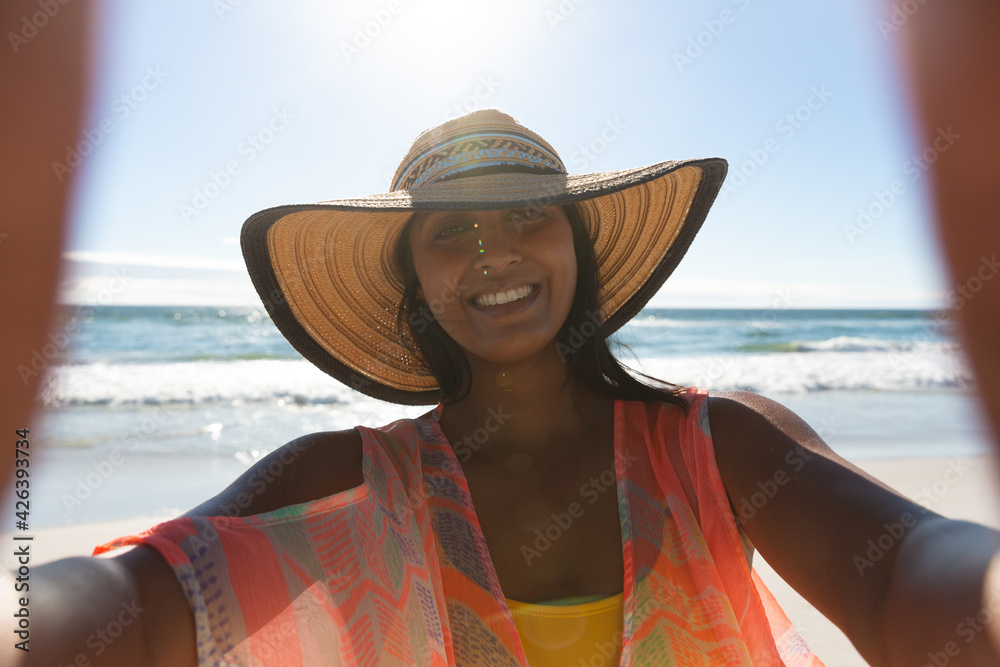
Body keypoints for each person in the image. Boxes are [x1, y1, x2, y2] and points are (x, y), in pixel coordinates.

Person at [25, 109, 1000, 666]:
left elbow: (904, 569)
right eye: (450, 230)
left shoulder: (718, 446)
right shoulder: (336, 473)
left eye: (526, 216)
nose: (491, 251)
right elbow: (138, 597)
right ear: (417, 283)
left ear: (574, 244)